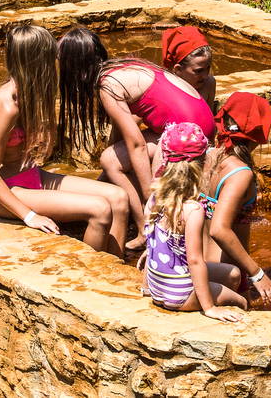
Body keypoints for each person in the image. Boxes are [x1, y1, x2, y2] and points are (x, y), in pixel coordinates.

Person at [0, 24, 129, 255]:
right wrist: (30, 216)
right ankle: (91, 271)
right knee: (100, 210)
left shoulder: (27, 95)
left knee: (118, 197)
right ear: (38, 62)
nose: (56, 63)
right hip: (7, 192)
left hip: (32, 176)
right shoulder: (7, 107)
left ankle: (115, 267)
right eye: (51, 58)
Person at [58, 26, 217, 247]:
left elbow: (136, 145)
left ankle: (145, 227)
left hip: (187, 131)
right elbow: (123, 133)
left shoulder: (107, 85)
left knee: (109, 160)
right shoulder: (122, 67)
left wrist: (148, 196)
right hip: (200, 123)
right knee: (116, 159)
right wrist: (105, 181)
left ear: (74, 68)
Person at [141, 122, 248, 322]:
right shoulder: (192, 210)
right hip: (180, 295)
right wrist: (210, 308)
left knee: (233, 274)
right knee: (241, 302)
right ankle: (215, 311)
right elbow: (195, 260)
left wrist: (146, 286)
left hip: (157, 288)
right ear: (200, 165)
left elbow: (149, 240)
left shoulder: (155, 195)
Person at [199, 91, 271, 304]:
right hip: (227, 273)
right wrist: (257, 274)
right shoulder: (240, 173)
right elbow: (219, 229)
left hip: (201, 266)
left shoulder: (207, 156)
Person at [161, 25, 217, 106]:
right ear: (178, 70)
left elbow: (209, 113)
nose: (205, 76)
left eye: (208, 68)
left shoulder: (209, 83)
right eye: (198, 71)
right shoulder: (164, 91)